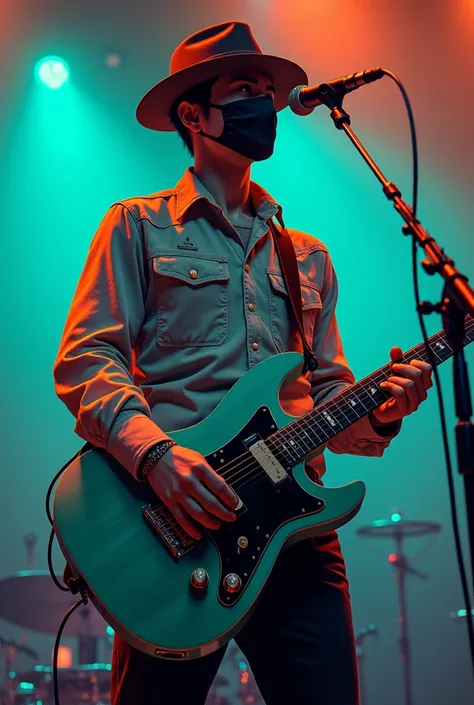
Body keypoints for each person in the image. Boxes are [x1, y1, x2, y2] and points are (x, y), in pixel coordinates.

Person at [53, 21, 433, 705]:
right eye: (245, 89)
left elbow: (330, 397)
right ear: (193, 114)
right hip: (175, 526)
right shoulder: (136, 226)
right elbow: (86, 360)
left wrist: (380, 410)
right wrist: (158, 457)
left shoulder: (306, 253)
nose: (265, 103)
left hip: (296, 534)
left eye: (269, 90)